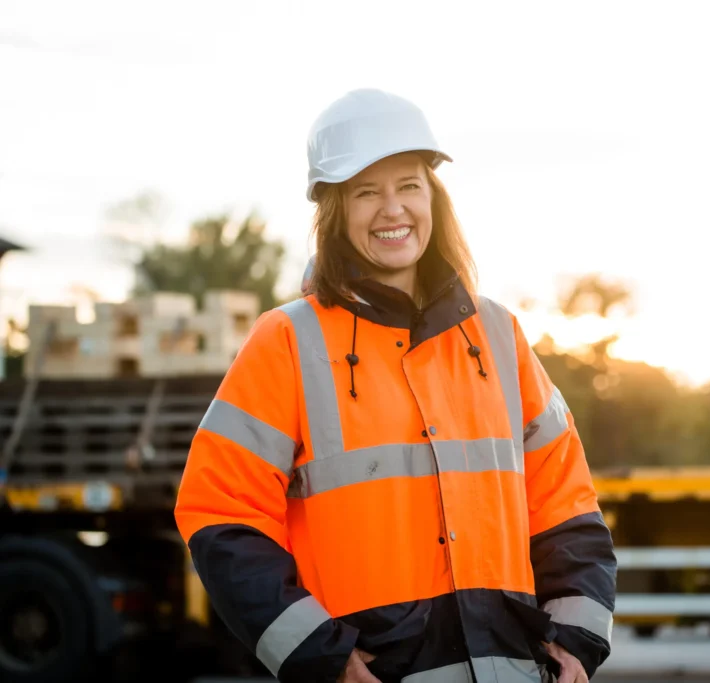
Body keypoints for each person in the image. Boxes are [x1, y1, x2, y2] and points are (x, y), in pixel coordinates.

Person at [174, 88, 617, 683]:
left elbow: (564, 499)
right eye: (366, 191)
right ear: (333, 210)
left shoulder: (497, 335)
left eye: (409, 184)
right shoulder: (287, 340)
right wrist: (321, 656)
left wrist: (576, 638)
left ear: (434, 195)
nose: (393, 209)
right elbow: (220, 514)